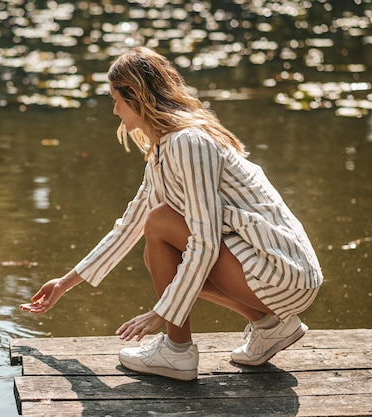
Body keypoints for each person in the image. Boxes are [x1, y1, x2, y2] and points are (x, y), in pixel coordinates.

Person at [19, 46, 323, 381]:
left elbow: (204, 241)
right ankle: (268, 325)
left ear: (135, 95)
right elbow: (129, 227)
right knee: (156, 247)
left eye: (116, 99)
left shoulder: (188, 143)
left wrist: (160, 313)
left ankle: (177, 351)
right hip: (272, 273)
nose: (115, 110)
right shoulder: (166, 150)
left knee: (162, 222)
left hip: (284, 273)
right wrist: (64, 283)